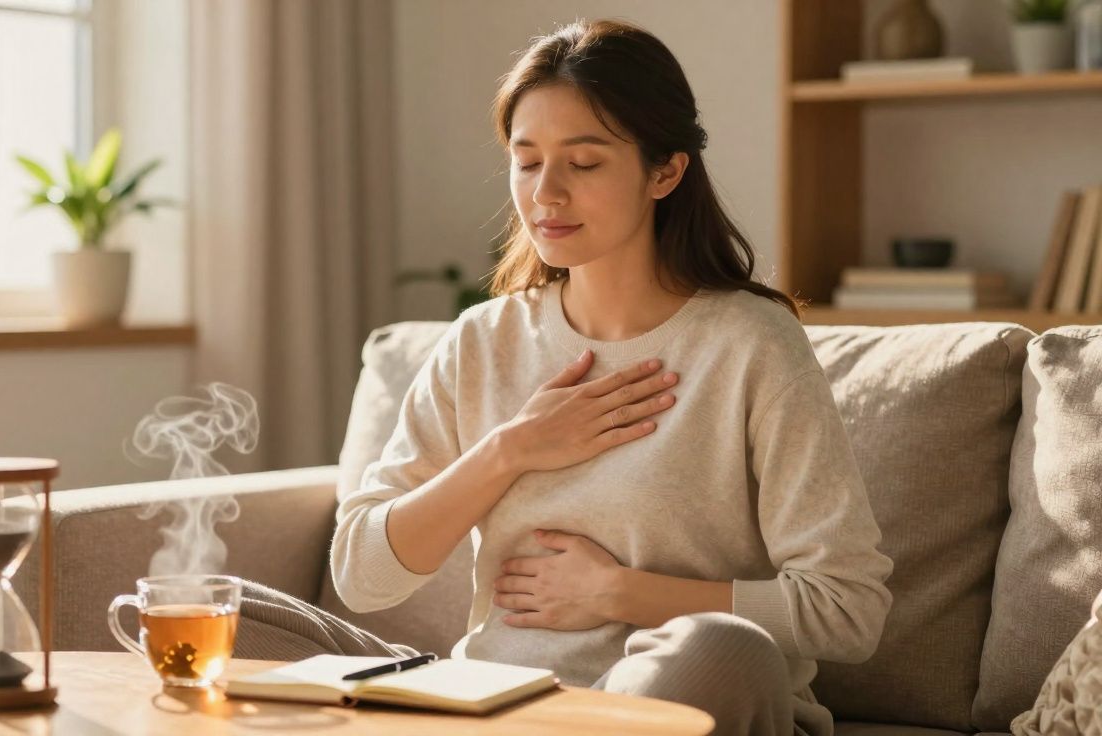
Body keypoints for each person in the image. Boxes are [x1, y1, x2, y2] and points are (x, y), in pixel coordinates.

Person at [234, 18, 892, 736]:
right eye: (526, 161)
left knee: (718, 647)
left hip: (676, 696)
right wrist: (511, 450)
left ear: (664, 171)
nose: (546, 194)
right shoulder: (484, 341)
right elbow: (362, 577)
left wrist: (617, 592)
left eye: (583, 164)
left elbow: (847, 610)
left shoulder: (750, 345)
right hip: (497, 701)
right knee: (208, 612)